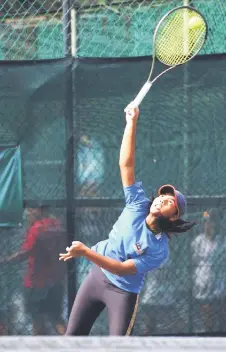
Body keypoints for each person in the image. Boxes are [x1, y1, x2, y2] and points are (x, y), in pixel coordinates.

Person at [59, 104, 195, 336]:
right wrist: (131, 122)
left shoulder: (159, 249)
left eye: (169, 201)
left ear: (174, 217)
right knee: (71, 340)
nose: (162, 199)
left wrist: (86, 252)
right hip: (96, 278)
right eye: (163, 194)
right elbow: (126, 164)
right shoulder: (136, 203)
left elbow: (122, 270)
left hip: (122, 293)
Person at [1, 206, 67, 335]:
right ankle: (72, 343)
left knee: (37, 318)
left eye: (31, 210)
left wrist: (5, 260)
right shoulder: (58, 225)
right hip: (56, 280)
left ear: (39, 210)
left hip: (36, 282)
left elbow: (26, 252)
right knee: (56, 317)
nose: (28, 213)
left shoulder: (36, 228)